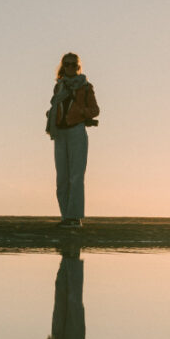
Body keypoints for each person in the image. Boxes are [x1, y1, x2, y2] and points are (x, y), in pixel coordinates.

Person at [45, 53, 100, 228]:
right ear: (63, 66)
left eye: (73, 65)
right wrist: (52, 114)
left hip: (76, 130)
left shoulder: (85, 86)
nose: (70, 67)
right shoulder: (58, 87)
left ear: (78, 67)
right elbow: (56, 107)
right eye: (67, 64)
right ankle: (65, 217)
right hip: (60, 132)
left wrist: (79, 111)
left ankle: (75, 218)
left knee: (76, 176)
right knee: (62, 177)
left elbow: (94, 110)